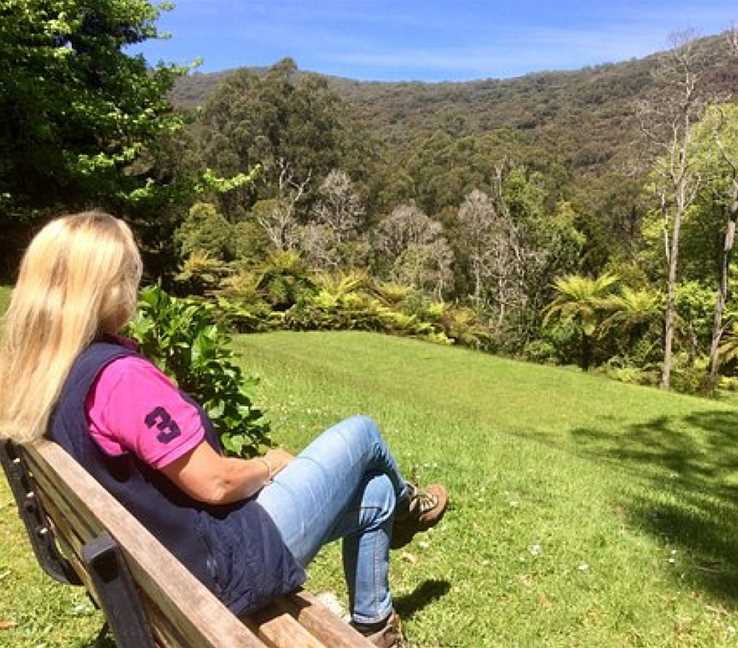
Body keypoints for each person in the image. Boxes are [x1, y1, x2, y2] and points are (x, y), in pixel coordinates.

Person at [0, 211, 448, 648]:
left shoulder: (38, 375)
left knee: (375, 496)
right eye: (128, 276)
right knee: (362, 433)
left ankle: (375, 623)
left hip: (164, 573)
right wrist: (268, 464)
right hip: (217, 570)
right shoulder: (119, 378)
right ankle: (410, 505)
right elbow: (215, 483)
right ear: (106, 289)